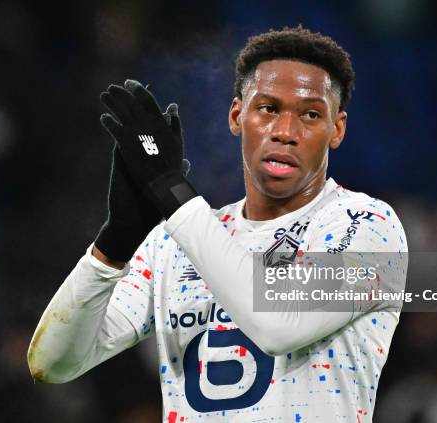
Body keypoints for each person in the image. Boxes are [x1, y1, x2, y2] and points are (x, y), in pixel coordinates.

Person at [28, 25, 407, 422]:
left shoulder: (368, 225)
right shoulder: (172, 244)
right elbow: (53, 363)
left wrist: (171, 192)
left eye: (310, 115)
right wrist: (115, 244)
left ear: (337, 130)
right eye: (268, 109)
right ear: (236, 115)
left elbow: (277, 326)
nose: (285, 132)